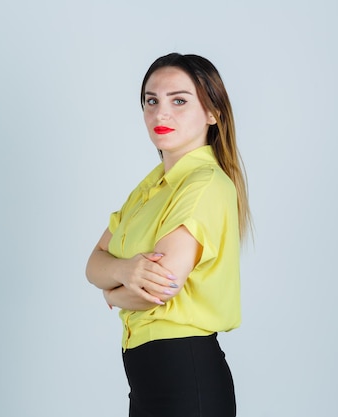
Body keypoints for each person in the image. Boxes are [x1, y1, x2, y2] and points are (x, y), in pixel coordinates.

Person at [85, 52, 251, 417]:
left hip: (184, 376)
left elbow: (157, 290)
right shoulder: (151, 186)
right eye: (151, 101)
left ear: (213, 112)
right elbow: (93, 262)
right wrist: (125, 274)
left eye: (179, 101)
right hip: (147, 380)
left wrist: (112, 289)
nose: (161, 113)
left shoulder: (204, 184)